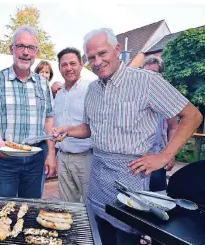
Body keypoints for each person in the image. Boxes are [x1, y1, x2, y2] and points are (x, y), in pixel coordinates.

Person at [52, 28, 203, 244]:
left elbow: (192, 116)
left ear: (116, 50)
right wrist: (68, 130)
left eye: (102, 54)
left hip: (131, 175)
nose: (97, 61)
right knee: (101, 236)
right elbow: (89, 128)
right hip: (98, 175)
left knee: (127, 237)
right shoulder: (93, 89)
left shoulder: (146, 81)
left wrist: (163, 156)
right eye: (92, 57)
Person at [0, 25, 56, 199]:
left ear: (36, 52)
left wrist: (51, 155)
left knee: (30, 209)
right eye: (20, 46)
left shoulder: (43, 84)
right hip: (5, 156)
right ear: (11, 49)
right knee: (3, 210)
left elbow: (49, 119)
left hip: (36, 159)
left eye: (31, 48)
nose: (25, 52)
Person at [53, 47, 93, 203]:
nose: (68, 68)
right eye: (64, 65)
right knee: (67, 205)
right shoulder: (59, 94)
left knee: (90, 206)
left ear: (81, 65)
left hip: (86, 158)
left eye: (72, 63)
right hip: (63, 157)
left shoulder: (91, 89)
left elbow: (94, 125)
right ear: (59, 68)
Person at [142, 55, 178, 192]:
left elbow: (173, 127)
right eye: (146, 73)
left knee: (157, 197)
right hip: (137, 157)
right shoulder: (136, 95)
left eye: (154, 73)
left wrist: (170, 154)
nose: (149, 77)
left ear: (161, 75)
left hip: (158, 156)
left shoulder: (168, 97)